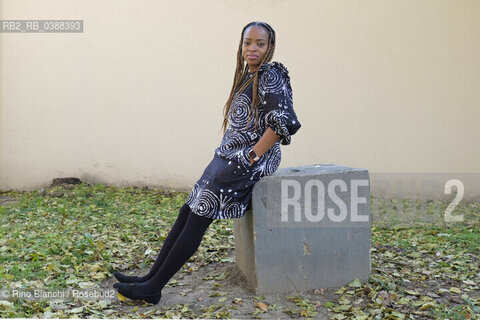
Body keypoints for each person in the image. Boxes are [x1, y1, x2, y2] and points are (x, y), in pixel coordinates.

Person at [112, 21, 301, 305]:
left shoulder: (271, 75)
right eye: (247, 42)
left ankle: (153, 289)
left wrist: (252, 156)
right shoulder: (248, 74)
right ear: (241, 45)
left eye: (259, 44)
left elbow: (282, 122)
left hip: (250, 160)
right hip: (229, 156)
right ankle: (150, 278)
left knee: (200, 214)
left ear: (269, 47)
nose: (252, 48)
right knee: (188, 209)